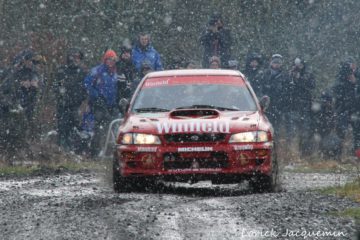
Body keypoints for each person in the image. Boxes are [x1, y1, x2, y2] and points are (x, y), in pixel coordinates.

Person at [84, 49, 119, 157]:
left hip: (112, 105)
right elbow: (87, 84)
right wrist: (96, 96)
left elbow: (117, 88)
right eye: (108, 59)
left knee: (112, 127)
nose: (110, 62)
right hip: (98, 104)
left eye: (112, 60)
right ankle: (94, 152)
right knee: (98, 128)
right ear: (105, 60)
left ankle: (109, 152)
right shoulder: (97, 71)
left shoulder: (116, 72)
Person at [54, 48, 87, 151]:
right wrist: (61, 93)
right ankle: (61, 149)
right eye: (74, 57)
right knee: (62, 128)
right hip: (63, 105)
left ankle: (73, 150)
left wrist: (83, 101)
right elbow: (56, 87)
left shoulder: (82, 72)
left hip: (76, 105)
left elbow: (85, 89)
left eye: (78, 57)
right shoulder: (62, 71)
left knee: (76, 128)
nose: (76, 59)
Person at [287, 57, 316, 157]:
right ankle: (291, 153)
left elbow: (312, 86)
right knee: (292, 131)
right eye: (297, 65)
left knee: (305, 130)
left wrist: (301, 79)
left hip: (305, 105)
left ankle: (304, 153)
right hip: (293, 106)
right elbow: (287, 88)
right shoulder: (290, 73)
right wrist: (292, 77)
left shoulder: (308, 74)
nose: (298, 67)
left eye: (300, 65)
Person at [332, 56, 359, 157]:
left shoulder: (358, 75)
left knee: (357, 133)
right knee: (340, 132)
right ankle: (338, 155)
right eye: (348, 65)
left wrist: (355, 82)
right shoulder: (340, 76)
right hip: (343, 108)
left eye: (352, 64)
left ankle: (356, 155)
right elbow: (335, 89)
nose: (351, 67)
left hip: (356, 109)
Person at [260, 54, 289, 136]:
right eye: (275, 62)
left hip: (279, 104)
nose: (276, 65)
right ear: (271, 63)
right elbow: (260, 87)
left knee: (277, 127)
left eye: (278, 63)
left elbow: (287, 90)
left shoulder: (285, 75)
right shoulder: (265, 73)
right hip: (266, 105)